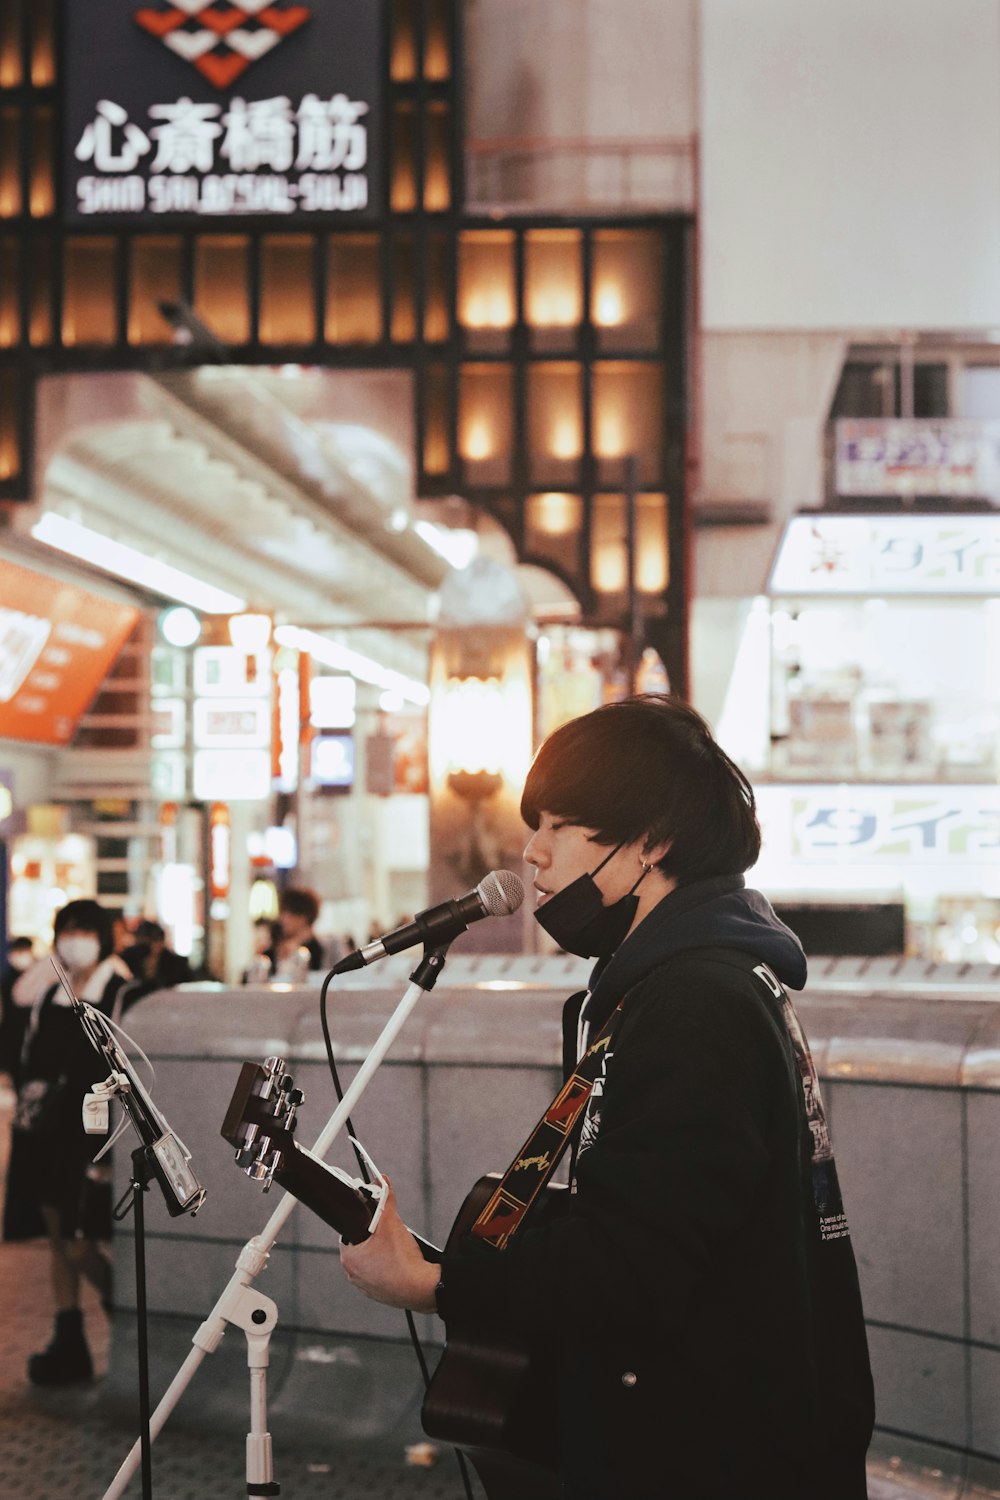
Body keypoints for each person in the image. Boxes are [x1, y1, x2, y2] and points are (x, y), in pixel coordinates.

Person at [340, 694, 875, 1499]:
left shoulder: (695, 1005)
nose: (533, 854)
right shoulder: (683, 985)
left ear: (652, 840)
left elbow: (633, 1268)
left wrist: (432, 1285)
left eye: (560, 824)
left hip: (712, 1456)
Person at [3, 899, 141, 1385]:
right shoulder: (49, 991)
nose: (75, 938)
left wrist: (109, 1151)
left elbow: (127, 1072)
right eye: (68, 929)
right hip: (45, 1134)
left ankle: (132, 1319)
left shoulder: (122, 992)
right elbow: (24, 1053)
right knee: (59, 1240)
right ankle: (68, 1340)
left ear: (104, 936)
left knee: (83, 1240)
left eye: (85, 929)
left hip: (92, 1137)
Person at [121, 919, 194, 998]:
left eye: (153, 941)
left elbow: (187, 992)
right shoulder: (128, 960)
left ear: (161, 942)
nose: (149, 948)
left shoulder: (176, 964)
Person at [265, 886, 326, 978]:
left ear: (302, 917)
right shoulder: (273, 951)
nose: (281, 919)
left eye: (286, 913)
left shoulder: (320, 950)